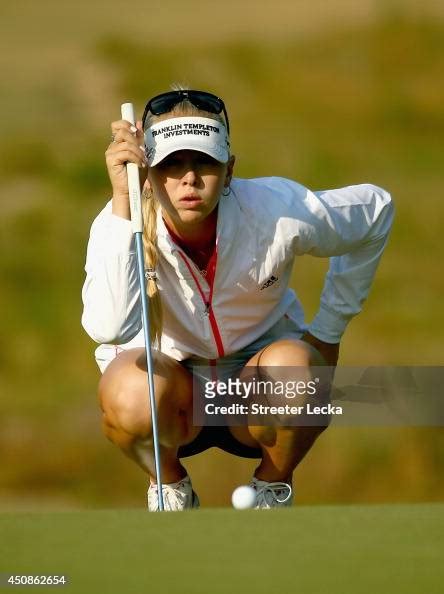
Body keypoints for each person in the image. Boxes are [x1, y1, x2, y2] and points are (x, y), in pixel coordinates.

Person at [81, 88, 394, 511]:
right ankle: (170, 488)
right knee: (127, 389)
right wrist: (123, 198)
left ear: (229, 170)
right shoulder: (120, 222)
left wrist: (328, 331)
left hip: (257, 393)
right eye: (170, 164)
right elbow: (109, 329)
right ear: (147, 174)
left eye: (204, 162)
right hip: (172, 401)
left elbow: (376, 210)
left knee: (296, 369)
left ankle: (272, 486)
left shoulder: (276, 209)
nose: (188, 177)